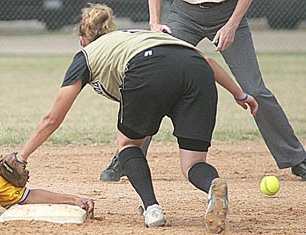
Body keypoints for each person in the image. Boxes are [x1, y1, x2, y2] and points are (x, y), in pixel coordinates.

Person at [0, 4, 258, 233]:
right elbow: (207, 61)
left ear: (83, 40)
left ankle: (152, 208)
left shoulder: (86, 55)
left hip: (146, 67)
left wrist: (22, 156)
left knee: (128, 145)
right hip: (195, 70)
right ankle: (213, 185)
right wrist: (240, 94)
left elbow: (52, 118)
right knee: (193, 163)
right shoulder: (138, 36)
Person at [100, 0, 306, 182]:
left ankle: (297, 158)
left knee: (255, 90)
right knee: (157, 79)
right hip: (183, 14)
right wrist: (154, 22)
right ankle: (125, 155)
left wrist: (232, 25)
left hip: (228, 13)